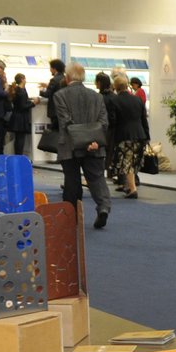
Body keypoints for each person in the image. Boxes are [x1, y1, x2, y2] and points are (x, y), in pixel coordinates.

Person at [52, 61, 112, 229]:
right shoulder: (97, 96)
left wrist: (81, 140)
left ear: (68, 77)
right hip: (94, 145)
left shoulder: (60, 96)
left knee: (72, 181)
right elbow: (104, 122)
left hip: (70, 146)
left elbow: (65, 122)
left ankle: (71, 217)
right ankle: (103, 207)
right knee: (97, 178)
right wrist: (93, 140)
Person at [110, 75, 148, 199]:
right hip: (139, 134)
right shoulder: (137, 100)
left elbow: (113, 121)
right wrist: (147, 136)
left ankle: (132, 189)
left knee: (126, 162)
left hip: (124, 135)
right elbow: (144, 119)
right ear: (127, 85)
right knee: (132, 162)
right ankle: (129, 186)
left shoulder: (114, 101)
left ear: (115, 87)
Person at [7, 72, 38, 155]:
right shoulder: (22, 91)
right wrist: (33, 103)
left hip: (16, 117)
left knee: (18, 138)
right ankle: (19, 155)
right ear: (22, 79)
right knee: (20, 139)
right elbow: (23, 106)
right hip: (21, 118)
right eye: (24, 78)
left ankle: (17, 154)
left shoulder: (17, 90)